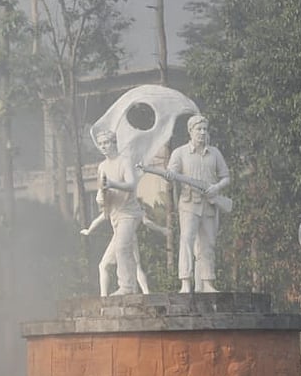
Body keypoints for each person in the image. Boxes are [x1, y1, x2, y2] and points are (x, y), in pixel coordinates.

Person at [166, 115, 230, 293]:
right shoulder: (179, 153)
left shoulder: (215, 153)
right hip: (189, 204)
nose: (202, 132)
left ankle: (207, 282)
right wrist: (170, 176)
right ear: (190, 131)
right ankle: (185, 282)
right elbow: (171, 174)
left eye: (204, 129)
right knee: (186, 241)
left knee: (208, 244)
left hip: (209, 204)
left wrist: (216, 188)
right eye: (198, 129)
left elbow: (226, 177)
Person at [82, 129, 143, 295]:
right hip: (115, 214)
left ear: (114, 143)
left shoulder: (124, 161)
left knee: (122, 248)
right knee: (126, 250)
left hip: (129, 212)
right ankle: (132, 287)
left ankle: (125, 286)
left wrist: (112, 184)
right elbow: (102, 191)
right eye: (100, 144)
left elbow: (131, 185)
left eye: (106, 143)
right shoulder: (102, 167)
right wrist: (100, 198)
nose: (103, 146)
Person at [81, 209, 170, 296]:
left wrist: (89, 231)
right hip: (131, 237)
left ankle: (103, 295)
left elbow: (100, 219)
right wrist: (161, 229)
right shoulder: (134, 208)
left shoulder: (116, 206)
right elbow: (147, 222)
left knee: (103, 266)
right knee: (136, 266)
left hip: (119, 238)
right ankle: (146, 291)